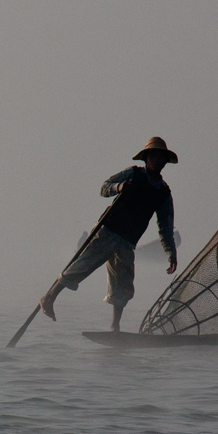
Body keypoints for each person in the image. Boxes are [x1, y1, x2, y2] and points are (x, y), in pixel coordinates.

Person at [39, 137, 178, 331]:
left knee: (123, 285)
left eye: (161, 157)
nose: (157, 160)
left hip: (128, 241)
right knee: (80, 266)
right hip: (108, 231)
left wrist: (171, 253)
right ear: (146, 158)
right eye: (153, 156)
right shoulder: (133, 174)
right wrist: (119, 187)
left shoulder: (163, 192)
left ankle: (115, 326)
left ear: (165, 162)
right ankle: (48, 298)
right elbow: (104, 187)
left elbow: (165, 225)